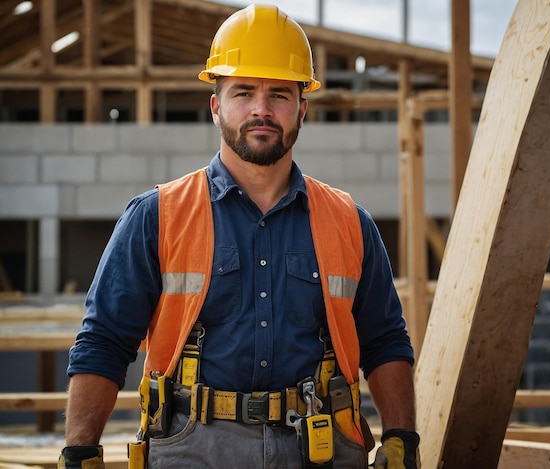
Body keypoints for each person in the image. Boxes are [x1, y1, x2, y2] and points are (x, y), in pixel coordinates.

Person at [58, 4, 420, 469]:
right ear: (216, 106)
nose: (261, 110)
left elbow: (385, 339)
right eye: (243, 92)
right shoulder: (157, 216)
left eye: (279, 95)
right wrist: (81, 449)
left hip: (319, 446)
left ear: (302, 110)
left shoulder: (350, 222)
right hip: (192, 446)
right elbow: (105, 339)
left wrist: (400, 437)